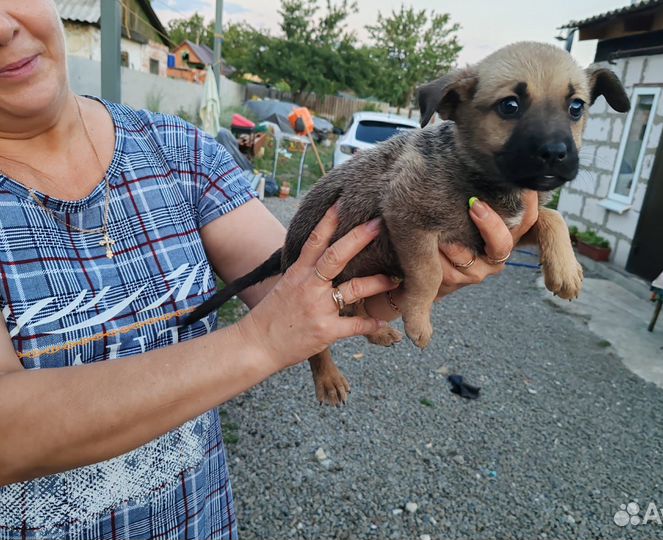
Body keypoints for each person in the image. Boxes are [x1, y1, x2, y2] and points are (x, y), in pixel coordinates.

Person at [0, 2, 539, 539]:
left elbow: (309, 293)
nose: (3, 26)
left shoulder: (178, 151)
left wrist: (427, 279)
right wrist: (259, 342)